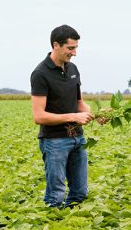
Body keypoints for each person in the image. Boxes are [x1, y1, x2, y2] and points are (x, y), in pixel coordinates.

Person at [30, 24, 93, 208]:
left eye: (76, 48)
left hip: (77, 138)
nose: (74, 53)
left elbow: (79, 103)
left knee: (80, 193)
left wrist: (94, 115)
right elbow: (39, 116)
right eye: (70, 48)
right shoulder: (40, 73)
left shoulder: (73, 69)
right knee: (56, 196)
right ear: (56, 45)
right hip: (55, 141)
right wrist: (74, 116)